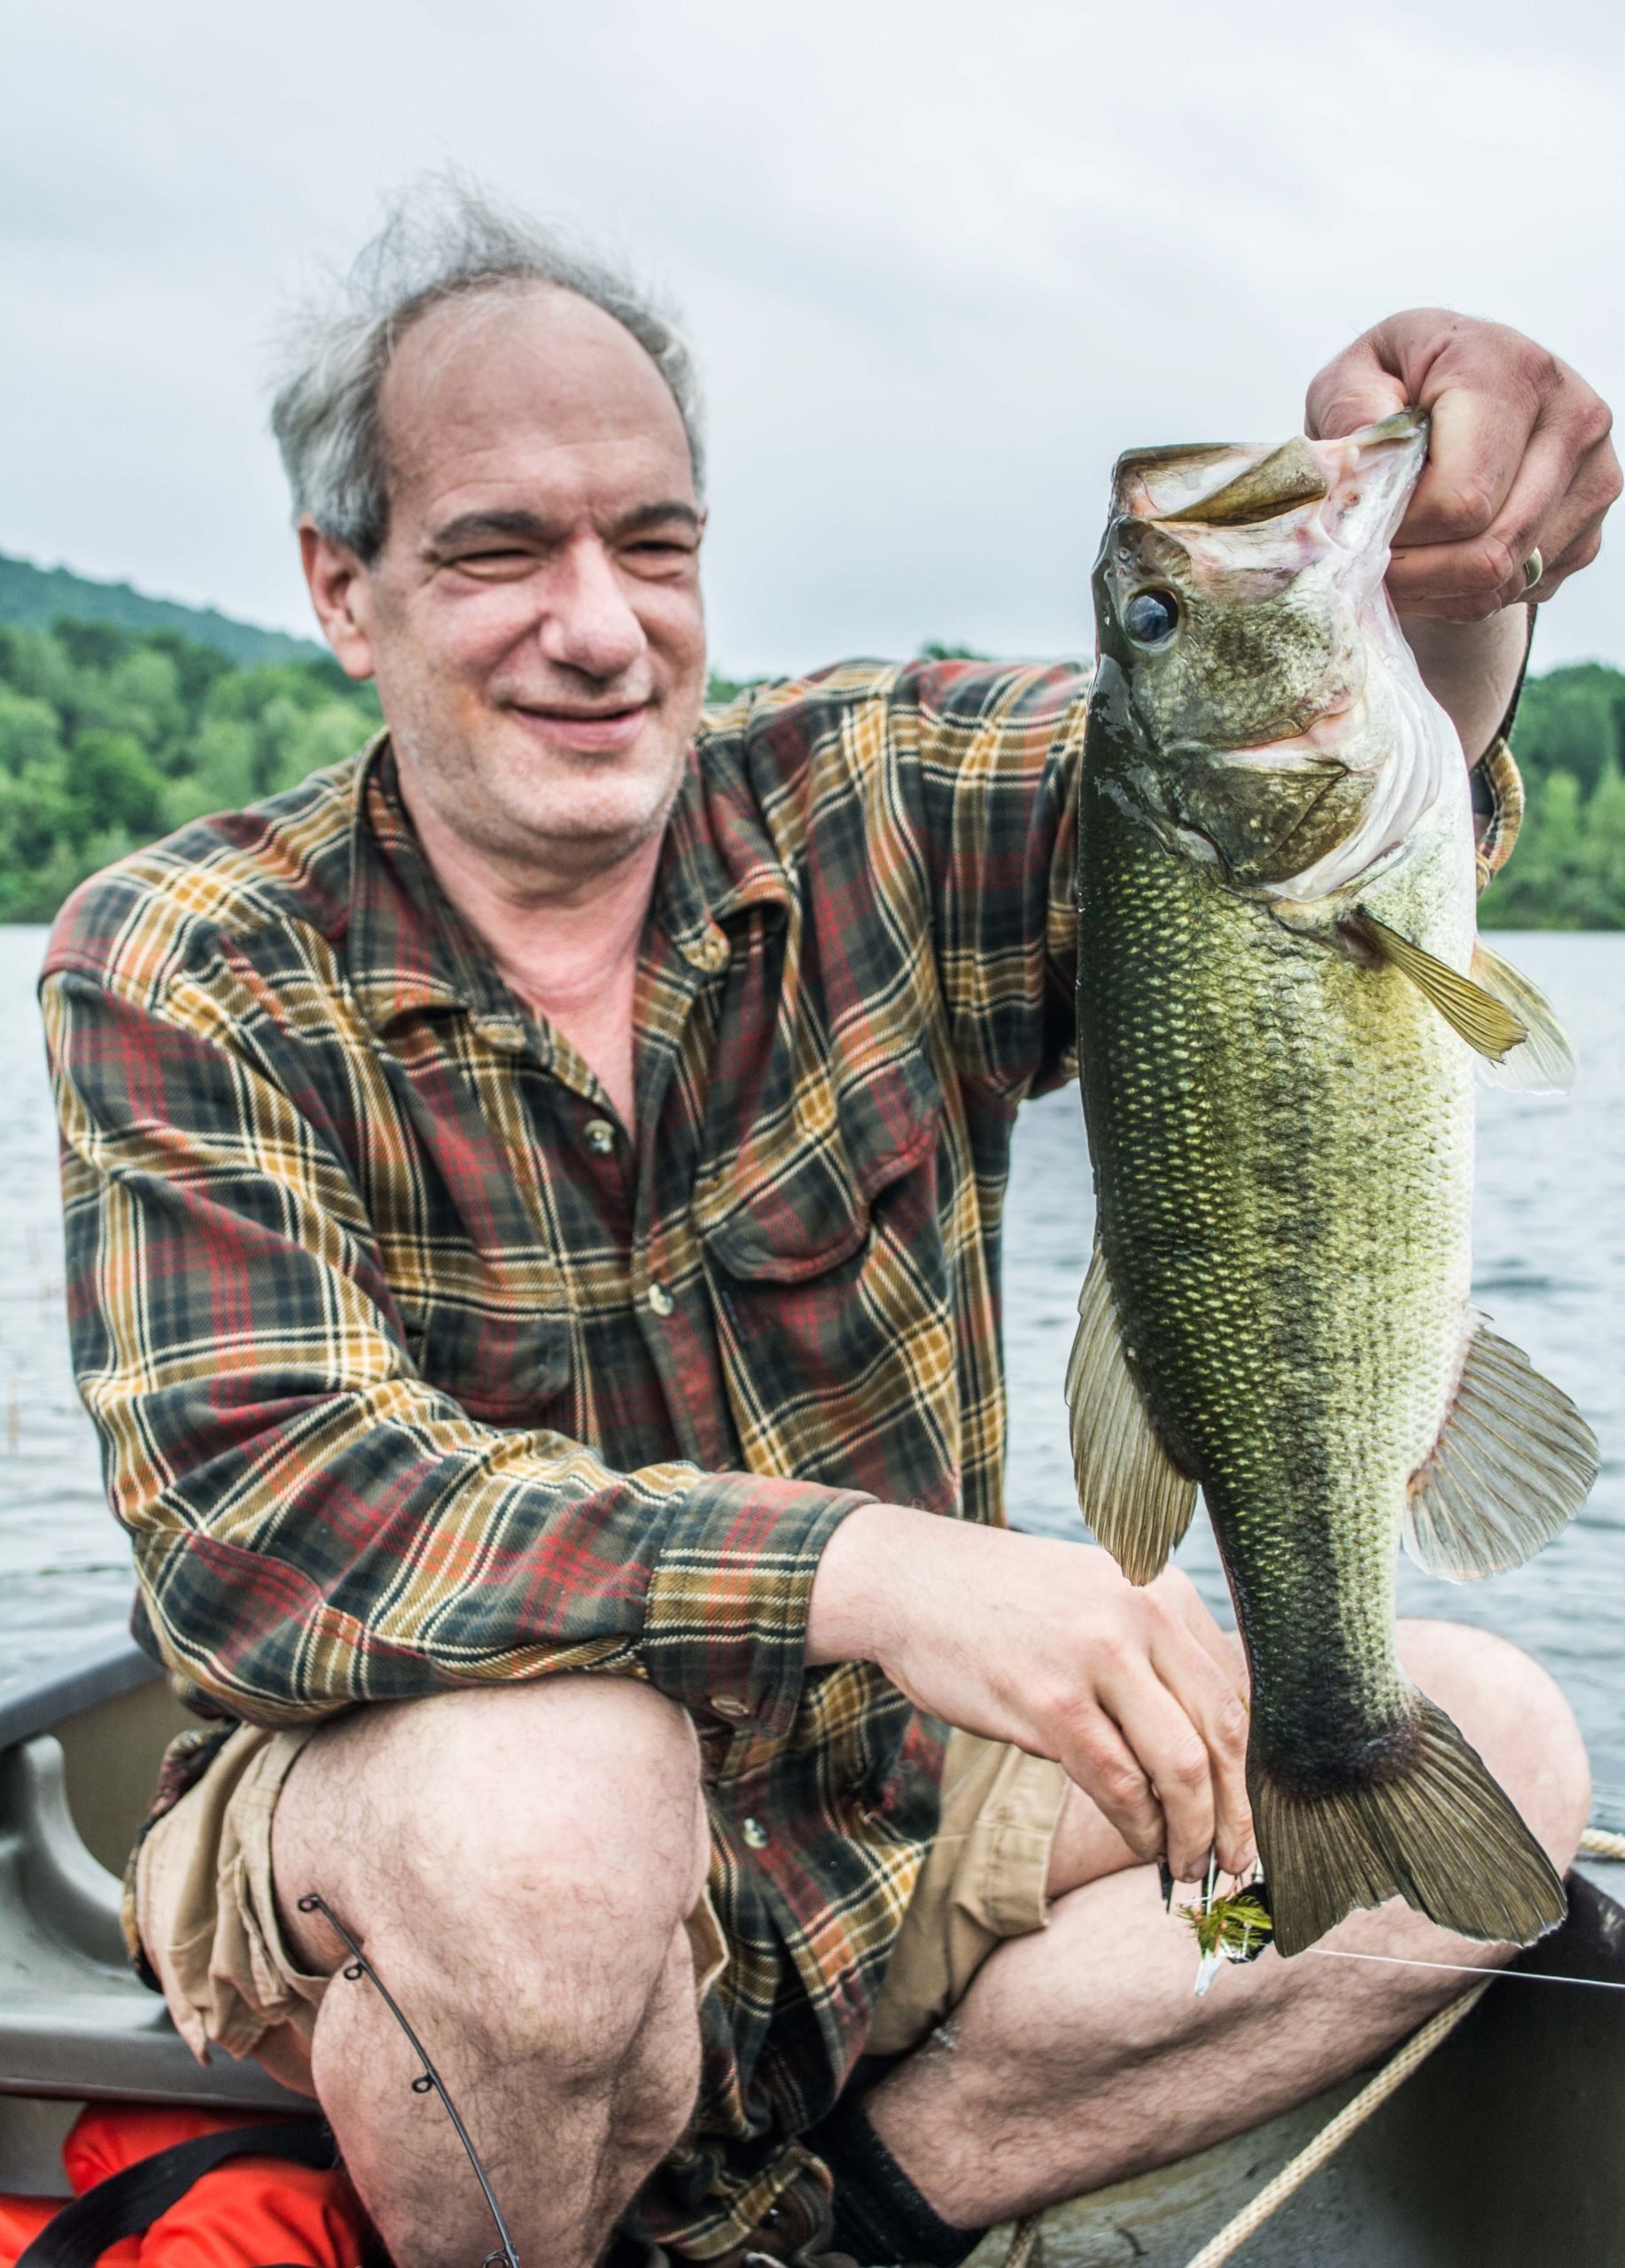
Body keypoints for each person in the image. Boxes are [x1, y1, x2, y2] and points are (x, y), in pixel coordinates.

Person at [43, 180, 1618, 2268]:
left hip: (882, 1817)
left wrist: (1443, 575)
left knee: (1478, 1755)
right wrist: (874, 1573)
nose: (596, 624)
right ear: (345, 589)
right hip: (406, 1863)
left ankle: (849, 2220)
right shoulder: (181, 958)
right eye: (500, 549)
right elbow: (268, 1520)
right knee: (557, 1820)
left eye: (652, 542)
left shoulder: (876, 794)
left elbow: (1259, 798)